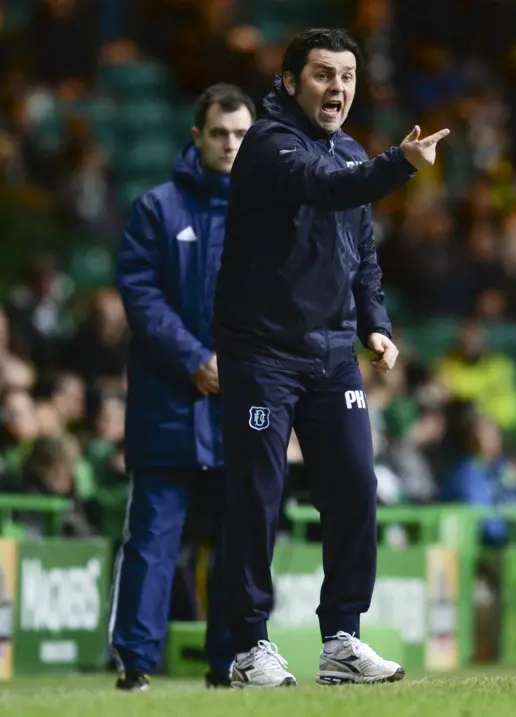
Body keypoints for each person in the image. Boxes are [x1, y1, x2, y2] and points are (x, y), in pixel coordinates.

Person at [212, 28, 449, 687]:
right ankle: (250, 646)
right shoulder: (268, 144)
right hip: (261, 350)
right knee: (257, 495)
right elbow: (327, 188)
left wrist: (374, 322)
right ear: (290, 82)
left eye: (346, 75)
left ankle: (342, 638)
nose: (337, 87)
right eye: (322, 74)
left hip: (332, 353)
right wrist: (398, 162)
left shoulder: (346, 152)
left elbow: (361, 251)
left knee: (354, 488)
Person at [109, 83, 256, 691]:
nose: (230, 144)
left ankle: (230, 662)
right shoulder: (156, 209)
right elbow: (139, 295)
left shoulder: (266, 212)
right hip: (167, 400)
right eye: (219, 133)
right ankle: (135, 664)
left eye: (241, 134)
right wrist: (194, 358)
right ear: (197, 136)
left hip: (241, 402)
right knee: (153, 536)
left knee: (239, 540)